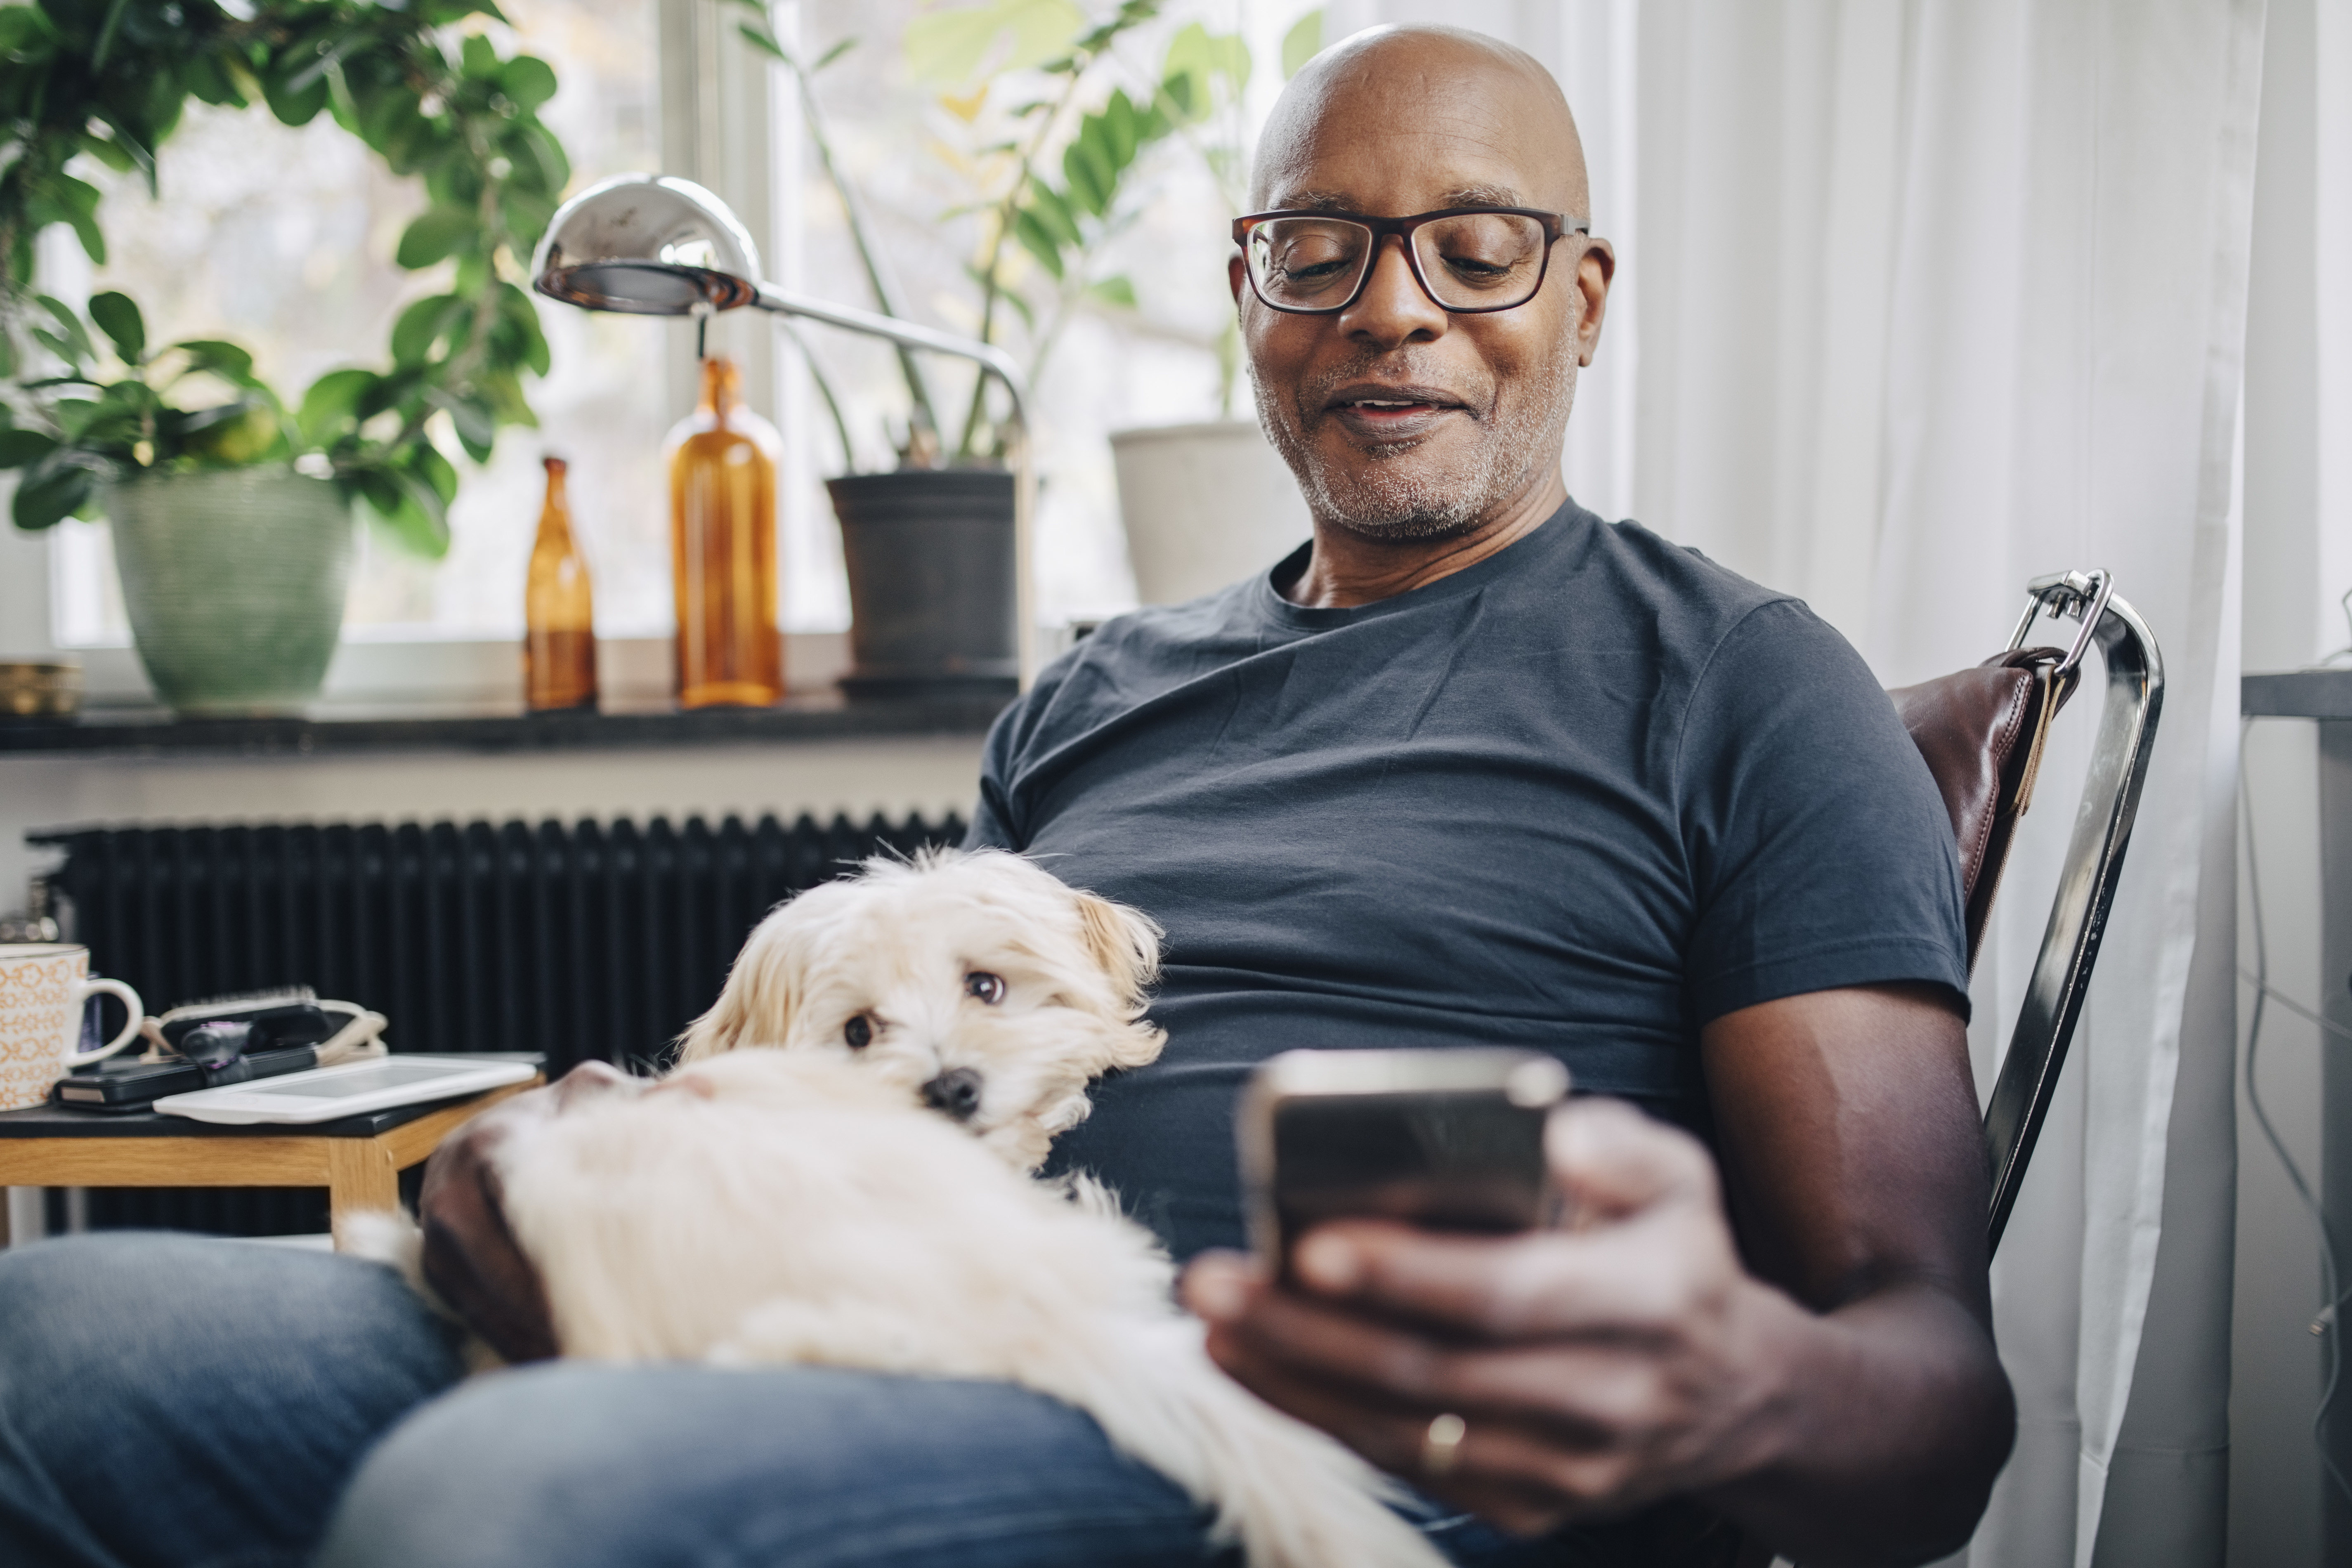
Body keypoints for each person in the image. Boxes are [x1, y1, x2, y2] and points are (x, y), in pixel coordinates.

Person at [0, 24, 2012, 1568]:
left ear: (1583, 298)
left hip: (1261, 1435)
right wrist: (597, 1151)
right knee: (45, 1345)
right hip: (840, 1308)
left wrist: (1726, 1381)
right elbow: (904, 1068)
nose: (1392, 306)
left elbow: (1934, 1397)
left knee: (510, 1497)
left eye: (1476, 250)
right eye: (1321, 246)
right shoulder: (1091, 698)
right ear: (1249, 291)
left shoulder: (1748, 684)